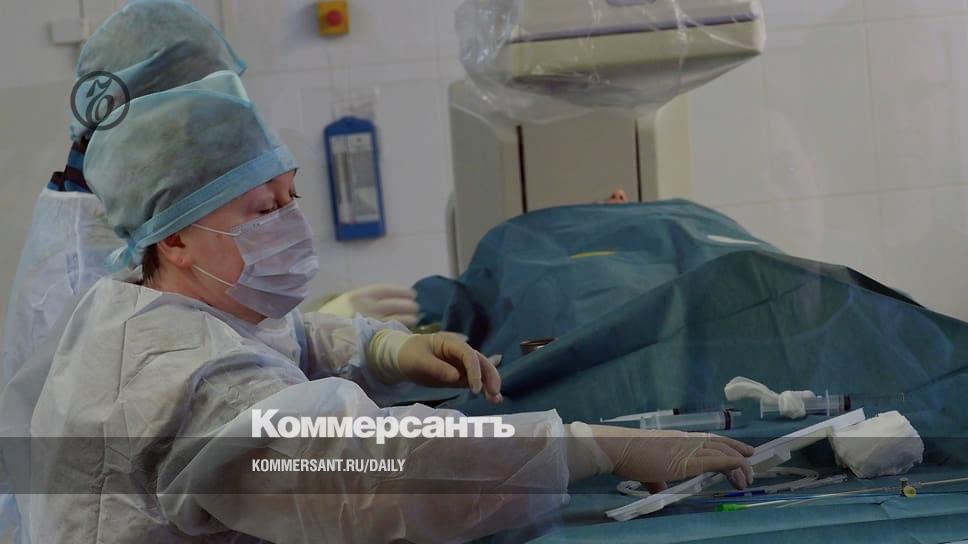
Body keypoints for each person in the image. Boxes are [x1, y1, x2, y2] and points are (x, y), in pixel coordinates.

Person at [0, 72, 754, 543]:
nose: (290, 223)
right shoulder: (173, 377)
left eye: (291, 197)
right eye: (262, 210)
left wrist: (382, 349)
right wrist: (586, 447)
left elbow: (276, 339)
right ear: (176, 240)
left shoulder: (144, 301)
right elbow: (370, 469)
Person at [0, 0, 417, 388]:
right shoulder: (77, 283)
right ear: (145, 120)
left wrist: (337, 339)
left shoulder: (127, 215)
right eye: (207, 107)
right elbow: (186, 384)